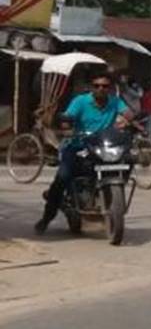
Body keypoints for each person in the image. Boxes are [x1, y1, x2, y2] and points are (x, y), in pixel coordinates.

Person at [35, 70, 133, 234]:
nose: (101, 89)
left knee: (128, 159)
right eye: (97, 86)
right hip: (77, 146)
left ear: (110, 88)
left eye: (105, 86)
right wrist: (67, 126)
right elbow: (68, 117)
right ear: (91, 87)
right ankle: (47, 217)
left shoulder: (115, 102)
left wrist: (128, 120)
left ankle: (112, 199)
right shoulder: (80, 101)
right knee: (63, 177)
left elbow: (128, 113)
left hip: (102, 147)